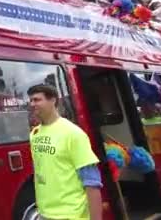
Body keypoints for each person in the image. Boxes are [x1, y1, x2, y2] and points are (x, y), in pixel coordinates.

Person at [27, 84, 102, 220]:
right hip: (44, 214)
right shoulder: (34, 134)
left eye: (37, 100)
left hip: (72, 215)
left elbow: (92, 183)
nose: (32, 104)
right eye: (31, 100)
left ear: (53, 100)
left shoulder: (73, 133)